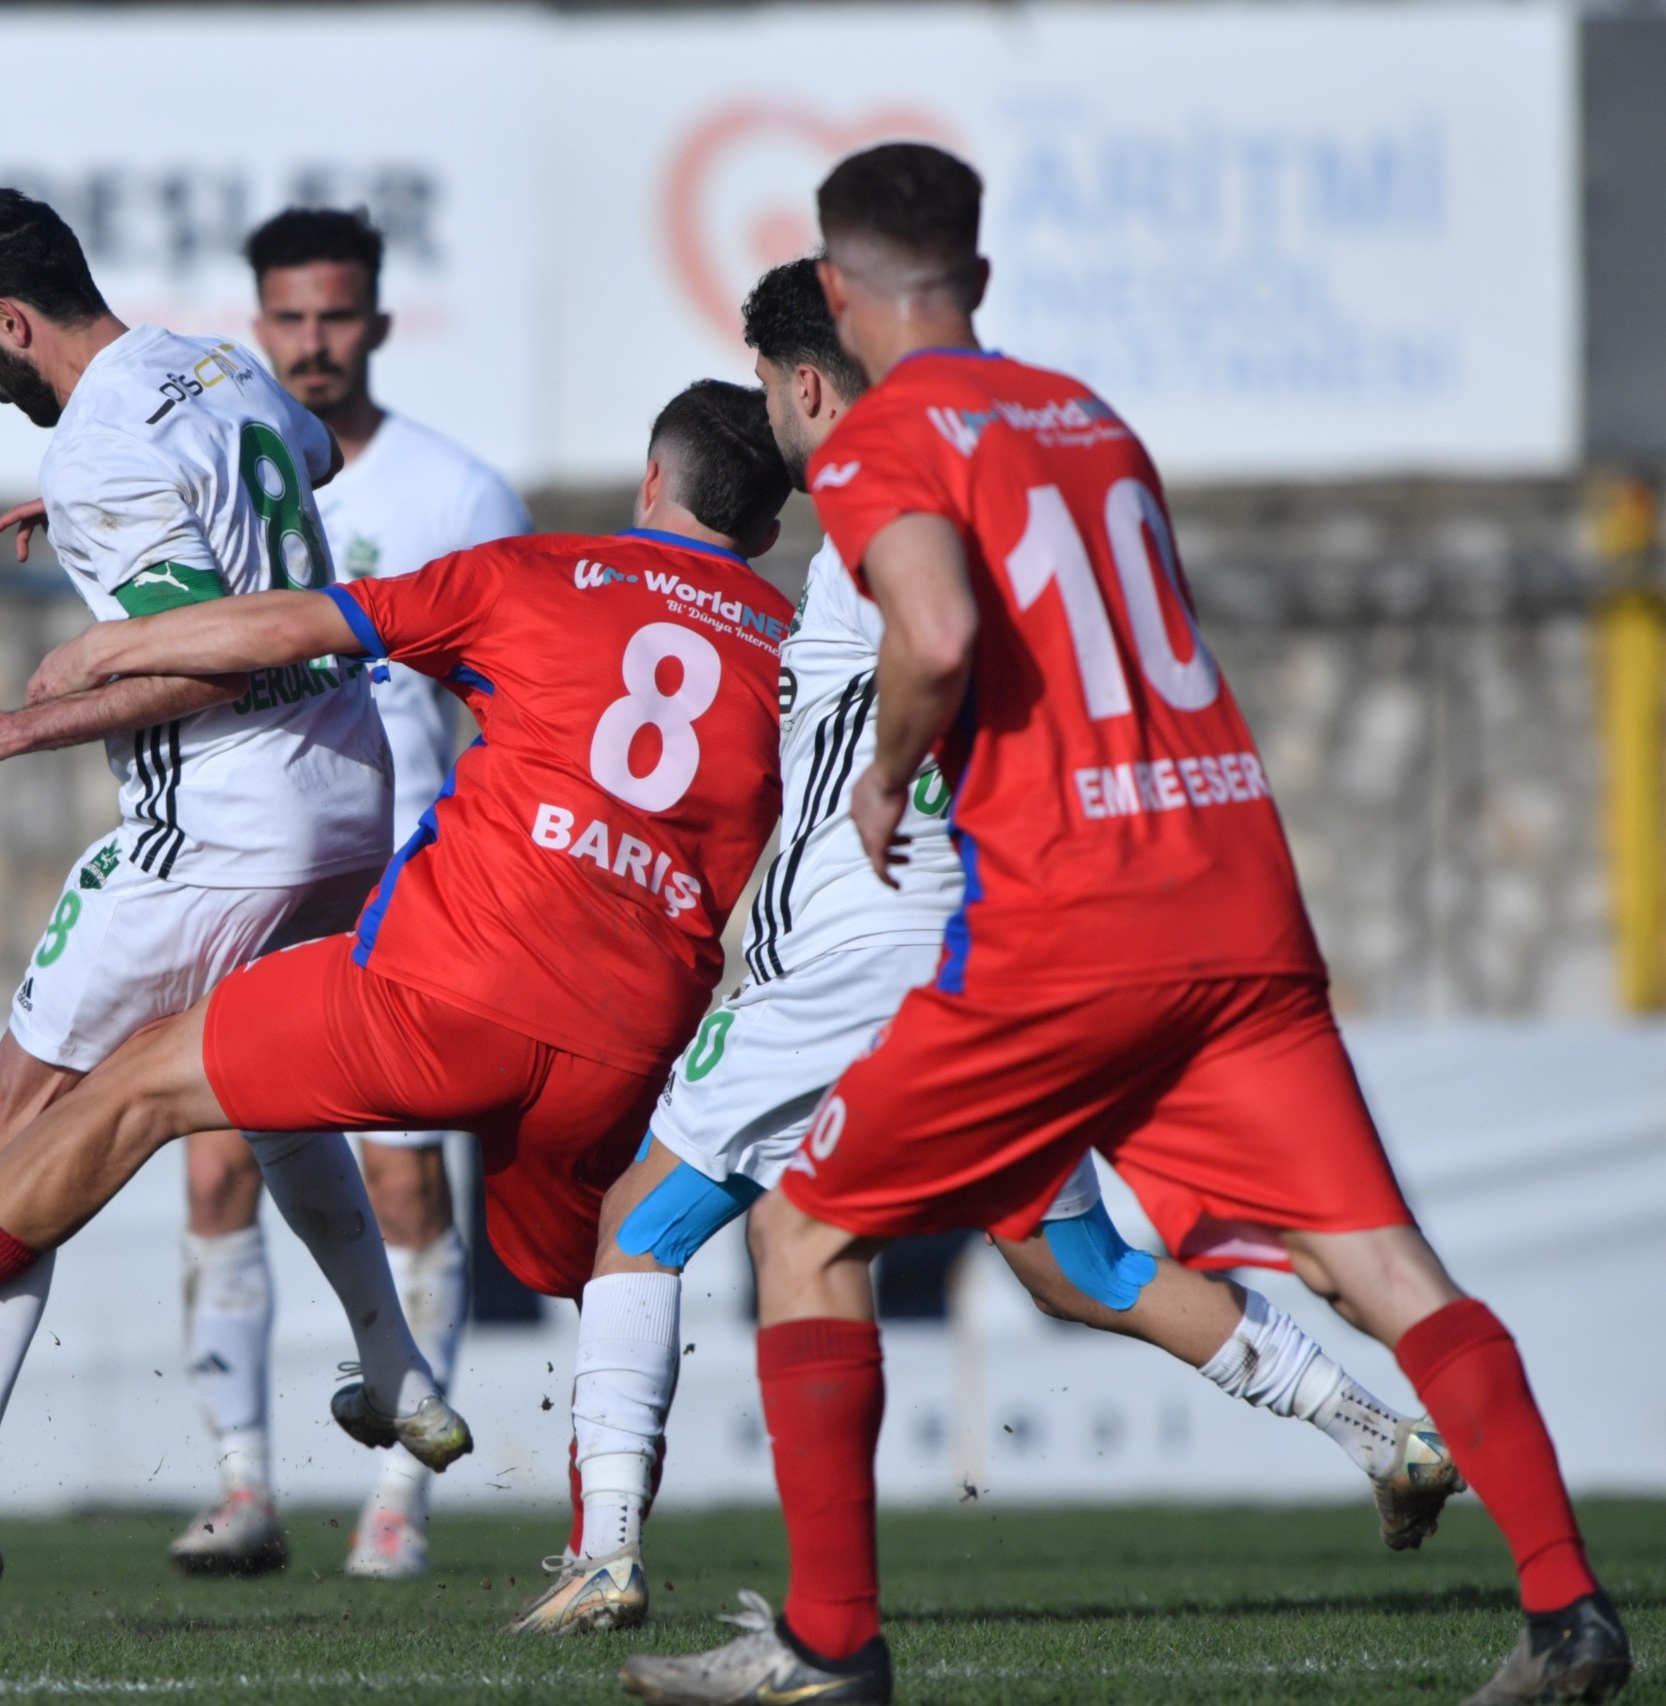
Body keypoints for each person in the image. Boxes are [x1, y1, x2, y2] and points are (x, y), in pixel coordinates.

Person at [620, 145, 1630, 1706]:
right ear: (983, 279)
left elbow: (940, 629)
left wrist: (890, 773)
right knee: (1380, 1262)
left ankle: (830, 1647)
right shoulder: (1087, 417)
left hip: (1072, 916)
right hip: (1238, 886)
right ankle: (1569, 1610)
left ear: (834, 293)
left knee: (805, 1227)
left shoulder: (886, 434)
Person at [509, 260, 1461, 1640]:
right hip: (973, 952)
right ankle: (1376, 1428)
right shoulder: (1000, 508)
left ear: (809, 384)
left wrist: (869, 777)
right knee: (1077, 1265)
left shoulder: (867, 512)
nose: (776, 427)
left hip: (844, 940)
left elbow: (921, 646)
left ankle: (608, 1551)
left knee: (645, 1223)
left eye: (780, 392)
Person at [0, 384, 802, 1598]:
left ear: (647, 485)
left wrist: (116, 638)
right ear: (768, 532)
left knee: (137, 1081)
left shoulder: (538, 571)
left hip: (445, 995)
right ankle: (602, 1544)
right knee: (617, 1258)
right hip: (626, 1040)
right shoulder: (798, 641)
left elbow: (297, 624)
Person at [0, 187, 445, 1625]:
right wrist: (132, 534)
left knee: (8, 1128)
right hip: (349, 794)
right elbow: (296, 466)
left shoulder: (100, 449)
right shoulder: (215, 366)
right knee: (264, 1085)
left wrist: (11, 723)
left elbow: (206, 665)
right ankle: (394, 1366)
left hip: (226, 818)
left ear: (10, 320)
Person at [170, 207, 533, 1582]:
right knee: (211, 1154)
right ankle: (242, 1483)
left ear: (377, 321)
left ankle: (398, 1501)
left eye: (335, 317)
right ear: (258, 324)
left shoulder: (456, 495)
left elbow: (511, 713)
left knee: (403, 1180)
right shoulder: (217, 474)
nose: (312, 343)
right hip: (247, 869)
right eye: (289, 319)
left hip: (401, 886)